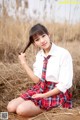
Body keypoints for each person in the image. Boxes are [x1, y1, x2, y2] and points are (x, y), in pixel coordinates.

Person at [7, 23, 73, 117]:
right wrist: (23, 63)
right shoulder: (39, 55)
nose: (42, 41)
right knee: (10, 107)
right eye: (37, 39)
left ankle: (47, 106)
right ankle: (37, 104)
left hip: (56, 91)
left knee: (21, 110)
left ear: (48, 34)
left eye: (43, 36)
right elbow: (37, 80)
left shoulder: (63, 54)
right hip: (41, 87)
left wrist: (43, 96)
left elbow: (63, 85)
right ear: (34, 44)